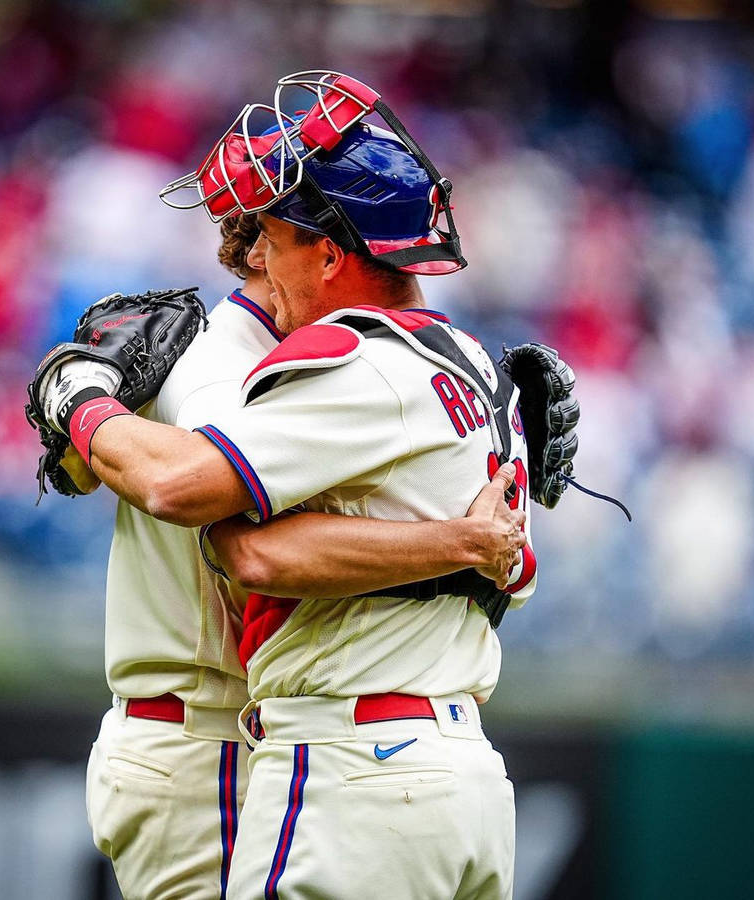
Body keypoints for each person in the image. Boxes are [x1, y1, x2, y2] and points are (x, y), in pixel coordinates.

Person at [34, 71, 534, 899]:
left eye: (271, 224)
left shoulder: (346, 359)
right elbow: (512, 569)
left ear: (321, 249)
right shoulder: (462, 363)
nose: (263, 244)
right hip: (218, 744)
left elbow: (207, 514)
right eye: (259, 229)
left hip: (307, 748)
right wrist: (461, 542)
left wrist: (73, 393)